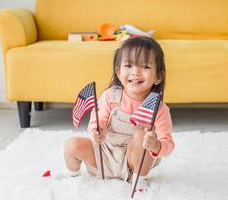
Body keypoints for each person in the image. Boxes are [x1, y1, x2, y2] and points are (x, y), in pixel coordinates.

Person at [64, 36, 174, 192]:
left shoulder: (158, 108)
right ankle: (72, 176)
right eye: (128, 65)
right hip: (104, 155)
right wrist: (97, 131)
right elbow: (97, 120)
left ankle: (139, 181)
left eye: (145, 67)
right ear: (118, 71)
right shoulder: (110, 96)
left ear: (158, 76)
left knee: (141, 137)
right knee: (72, 145)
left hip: (134, 162)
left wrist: (156, 145)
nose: (135, 72)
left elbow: (168, 143)